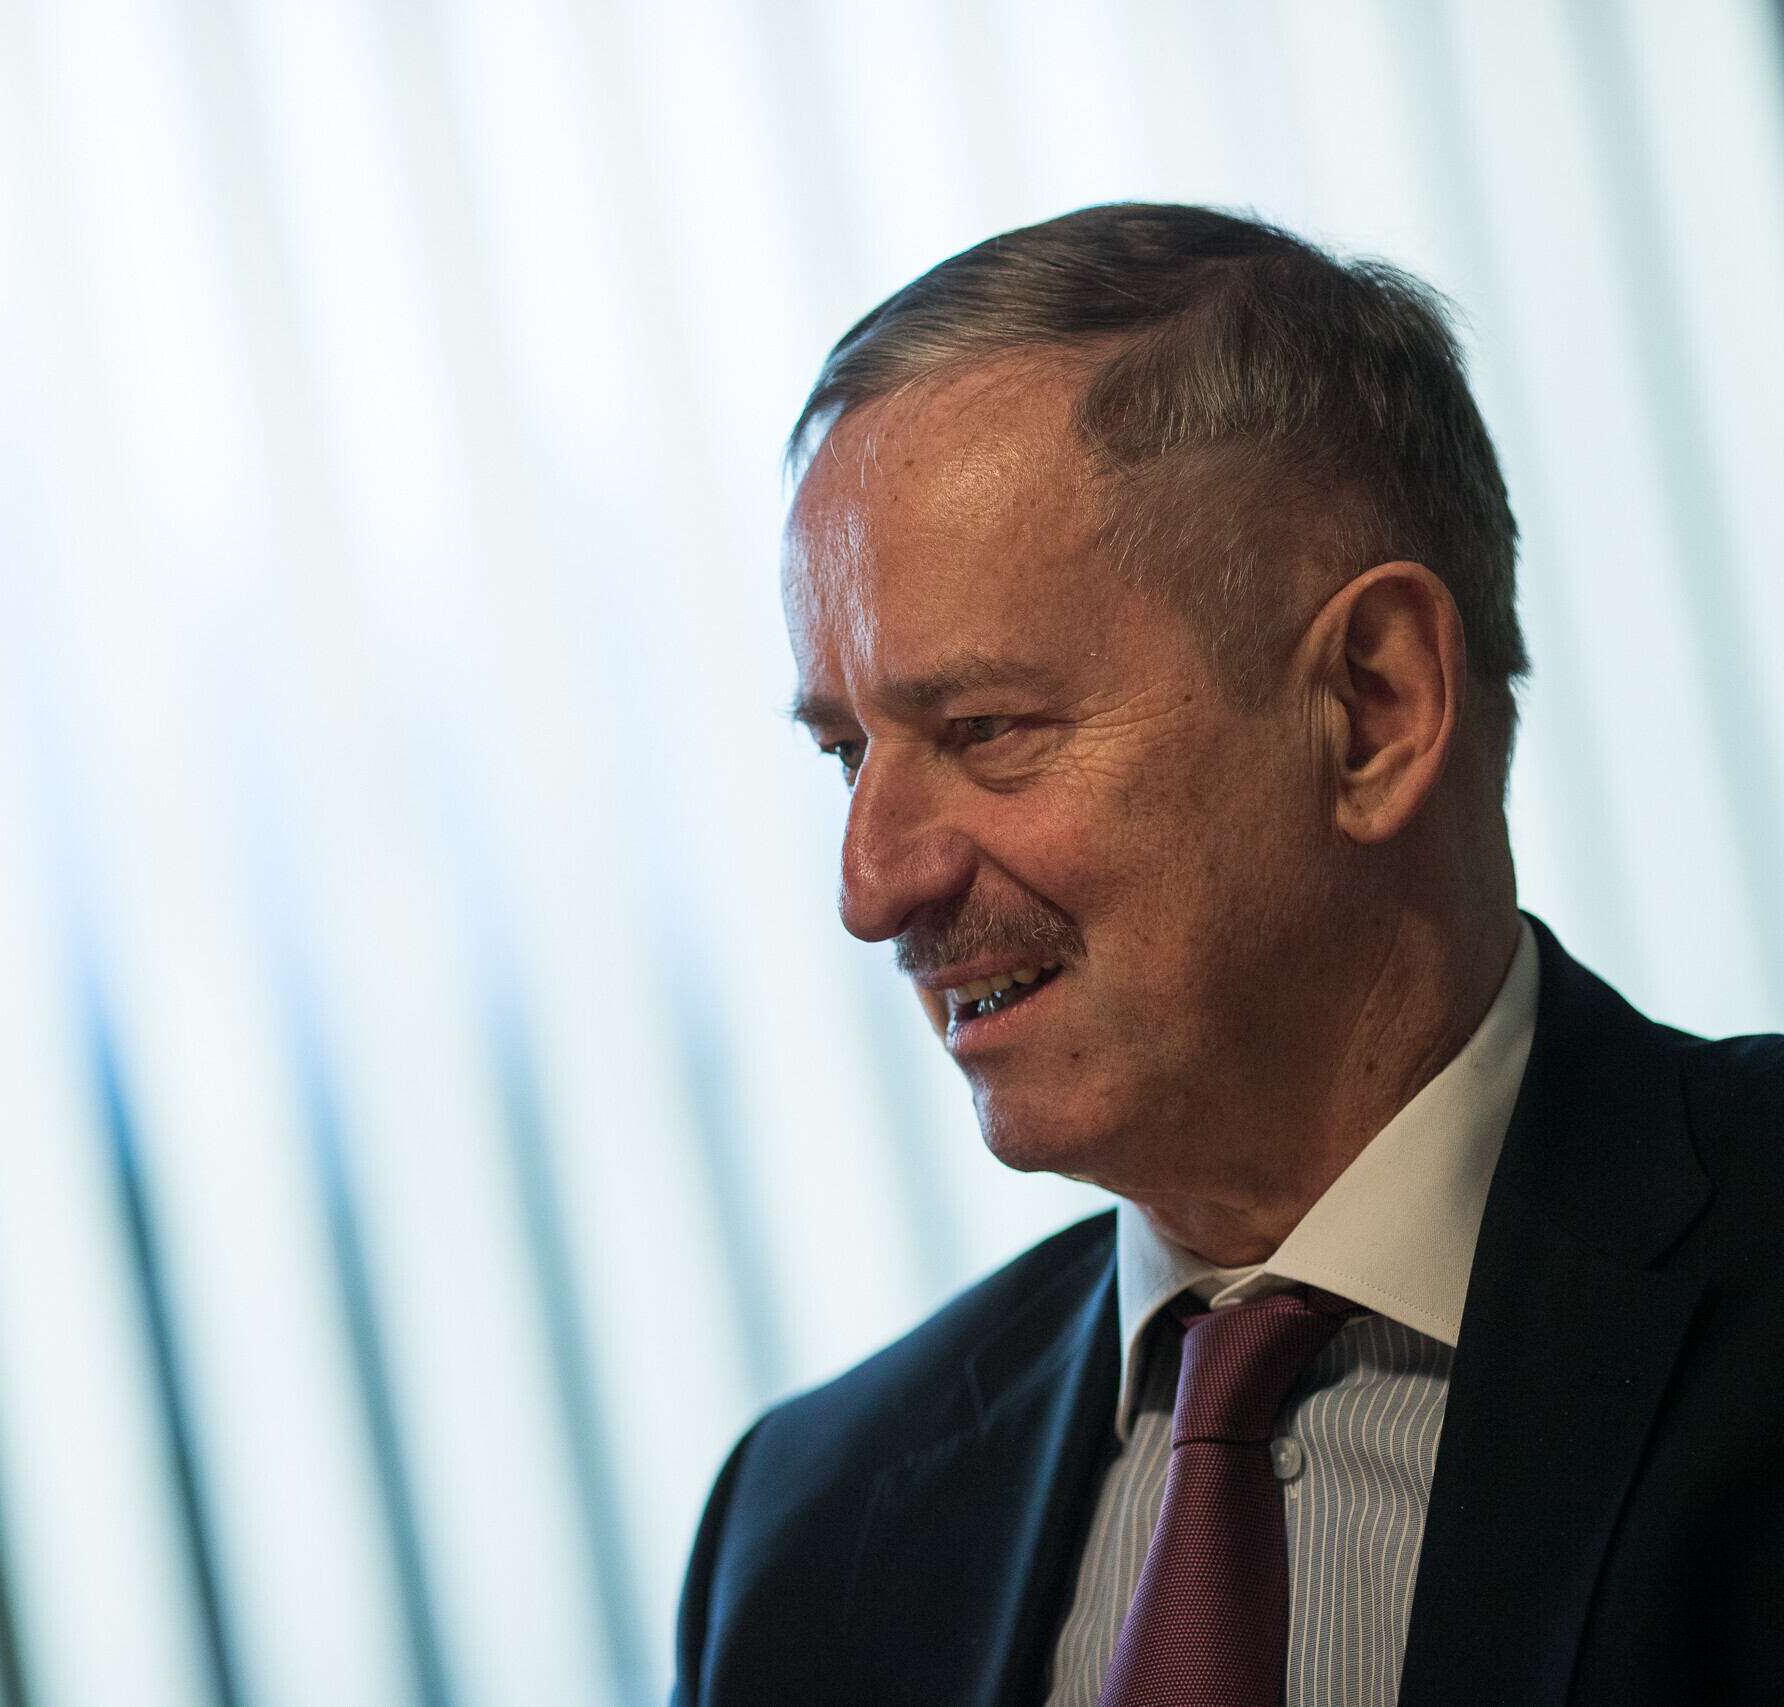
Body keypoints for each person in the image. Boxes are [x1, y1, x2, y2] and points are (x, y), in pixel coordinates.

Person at [671, 204, 1784, 1707]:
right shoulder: (808, 1538)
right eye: (847, 753)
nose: (873, 889)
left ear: (1374, 707)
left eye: (985, 729)